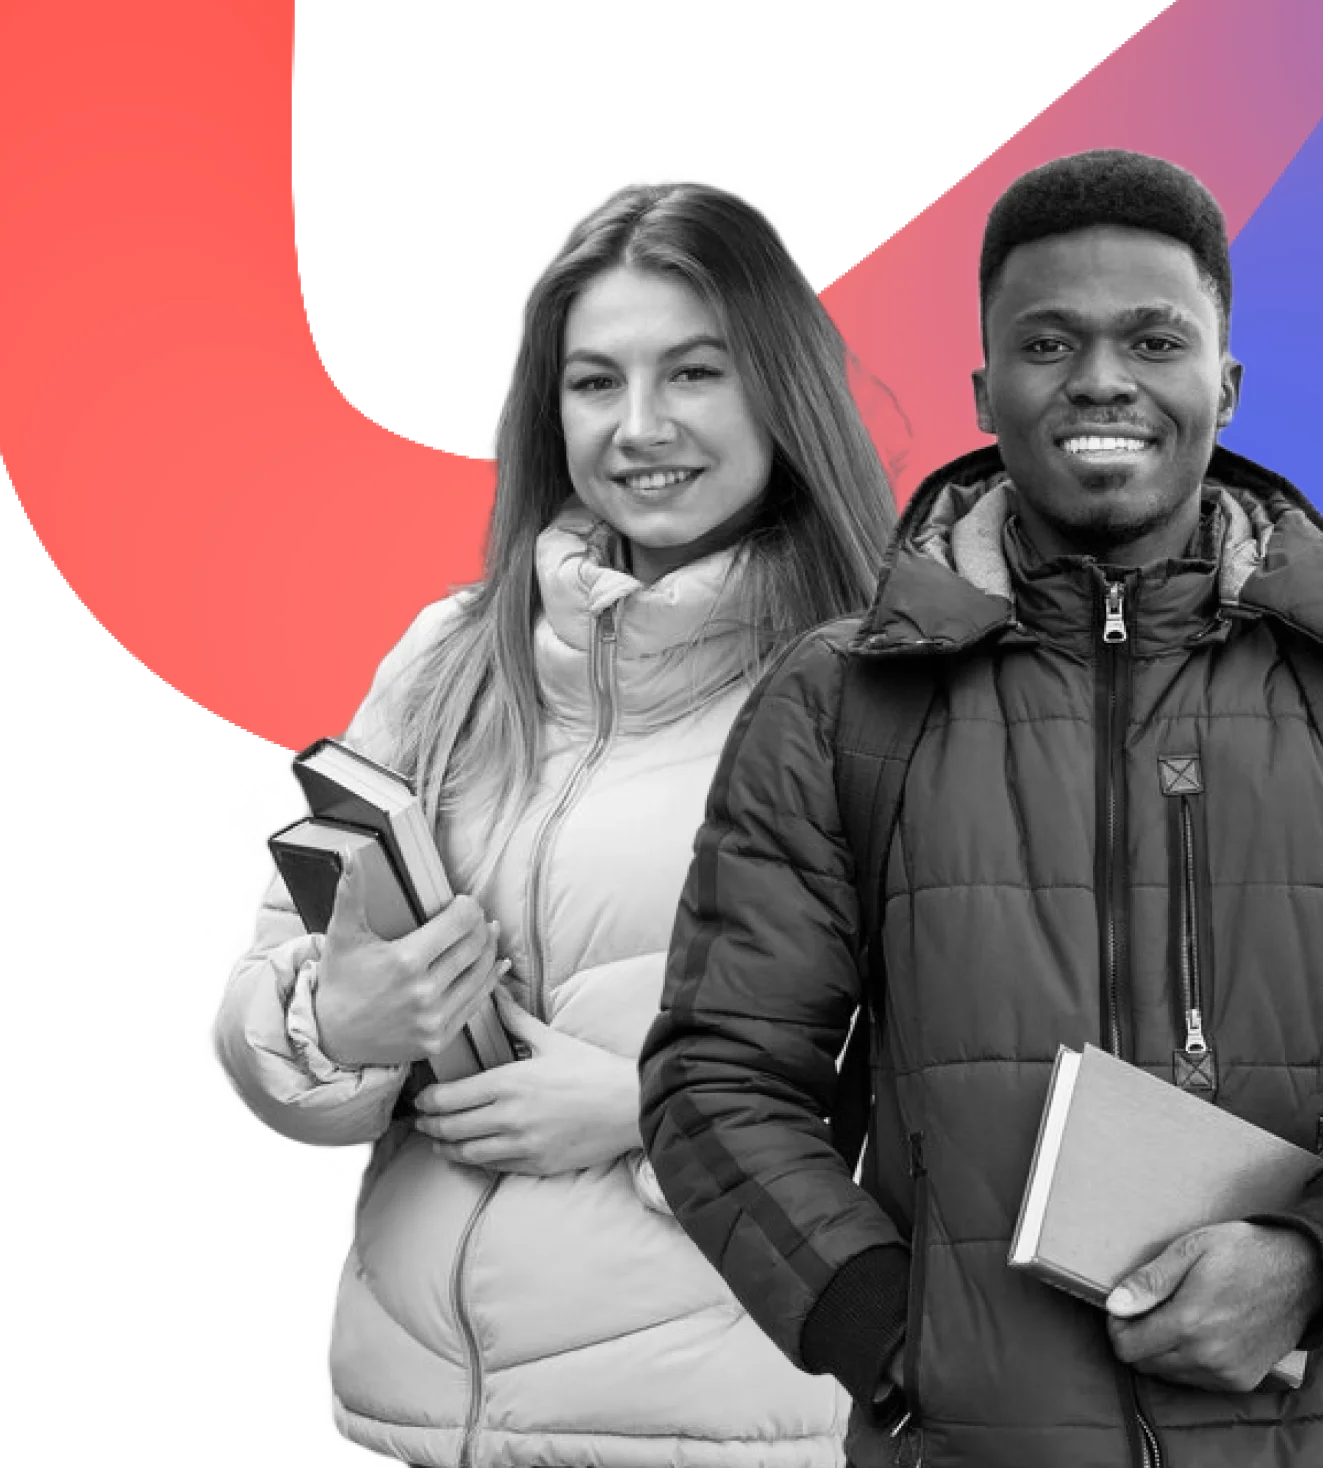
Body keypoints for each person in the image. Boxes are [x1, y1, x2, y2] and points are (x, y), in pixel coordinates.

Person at [638, 149, 1323, 1467]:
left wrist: (1319, 1257)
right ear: (986, 389)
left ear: (1224, 382)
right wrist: (892, 1332)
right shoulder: (837, 701)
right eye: (1049, 342)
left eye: (1153, 339)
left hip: (1305, 1438)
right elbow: (716, 1081)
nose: (1100, 378)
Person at [207, 178, 895, 1466]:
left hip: (733, 1430)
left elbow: (990, 1059)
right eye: (594, 383)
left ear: (782, 390)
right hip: (417, 1422)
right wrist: (337, 1027)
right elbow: (266, 975)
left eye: (695, 372)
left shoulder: (888, 682)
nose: (640, 428)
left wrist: (664, 1105)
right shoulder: (447, 660)